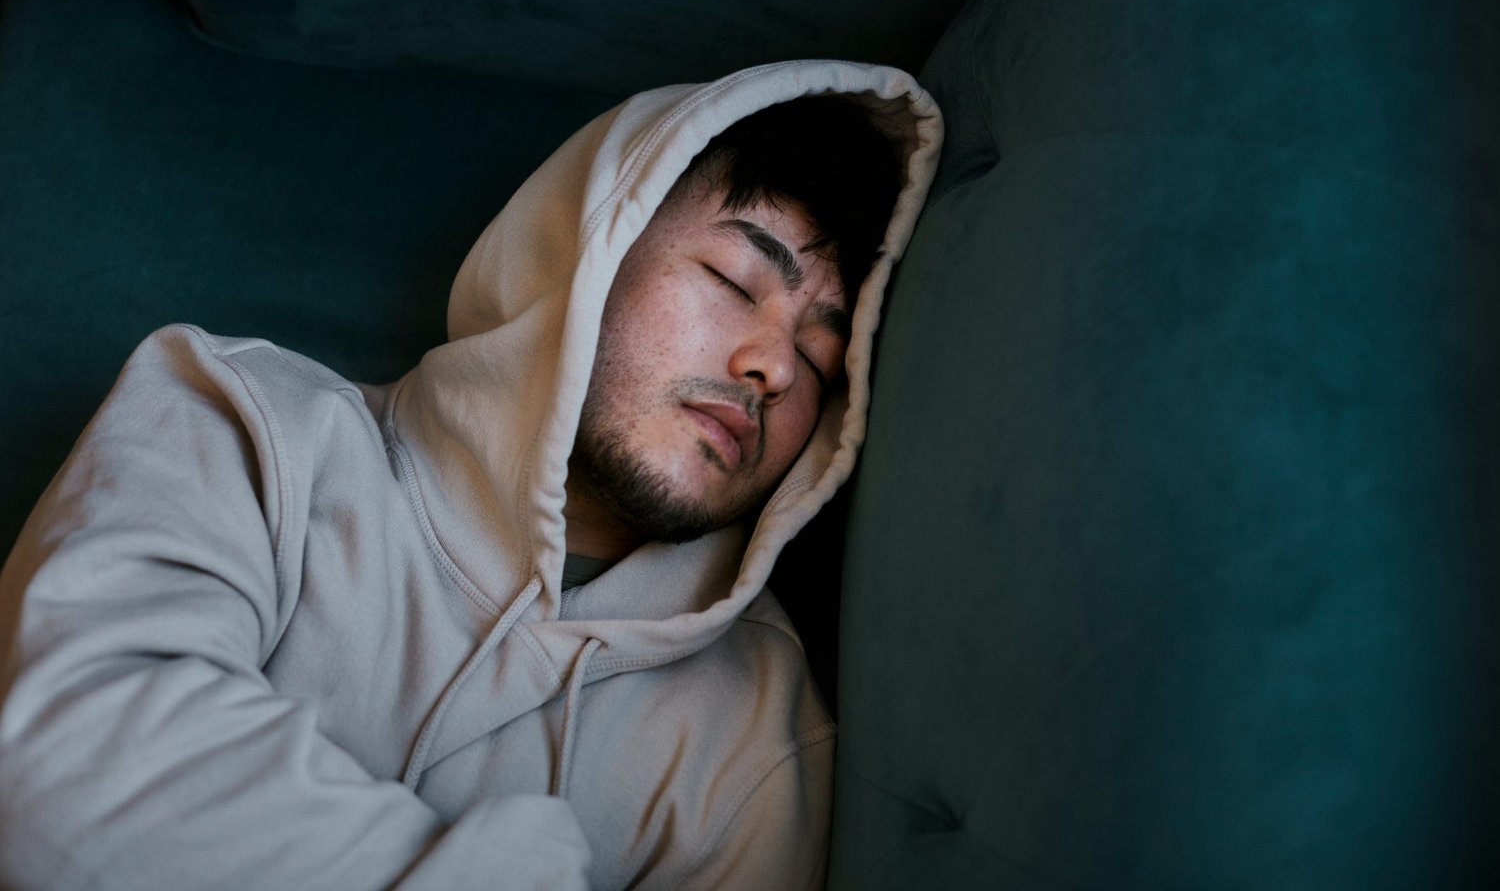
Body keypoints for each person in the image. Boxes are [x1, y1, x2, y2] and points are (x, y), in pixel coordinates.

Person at [0, 60, 942, 890]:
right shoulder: (237, 419)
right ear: (584, 256)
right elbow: (58, 764)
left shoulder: (758, 744)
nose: (773, 367)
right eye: (737, 281)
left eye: (821, 359)